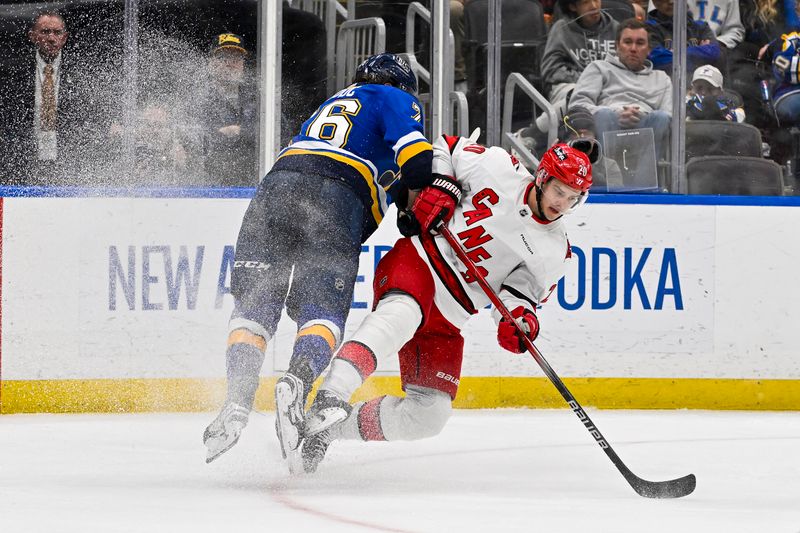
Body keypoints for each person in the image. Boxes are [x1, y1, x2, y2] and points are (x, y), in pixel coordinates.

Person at [294, 137, 593, 474]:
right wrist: (443, 185)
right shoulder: (497, 167)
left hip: (451, 315)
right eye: (559, 191)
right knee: (401, 316)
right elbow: (447, 147)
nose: (562, 203)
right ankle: (331, 395)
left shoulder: (554, 250)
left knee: (428, 416)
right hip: (420, 261)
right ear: (541, 177)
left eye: (573, 197)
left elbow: (519, 296)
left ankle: (327, 429)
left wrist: (519, 321)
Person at [202, 53, 433, 468]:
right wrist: (429, 196)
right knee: (321, 311)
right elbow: (416, 163)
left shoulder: (333, 104)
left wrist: (402, 204)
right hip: (335, 197)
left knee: (253, 309)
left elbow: (384, 174)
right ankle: (298, 381)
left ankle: (236, 403)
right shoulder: (394, 98)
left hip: (276, 187)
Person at [0, 10, 93, 185]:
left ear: (64, 38)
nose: (51, 38)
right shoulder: (12, 71)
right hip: (21, 157)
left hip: (67, 159)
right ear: (32, 36)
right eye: (45, 32)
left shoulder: (81, 72)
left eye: (57, 33)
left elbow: (87, 119)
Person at [569, 18, 673, 160]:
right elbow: (577, 105)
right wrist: (616, 113)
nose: (633, 49)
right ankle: (608, 176)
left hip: (647, 128)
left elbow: (669, 115)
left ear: (649, 50)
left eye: (640, 43)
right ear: (617, 46)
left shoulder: (662, 78)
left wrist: (640, 116)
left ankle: (644, 181)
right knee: (604, 114)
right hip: (607, 124)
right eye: (628, 42)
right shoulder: (599, 67)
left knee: (661, 118)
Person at [199, 33, 258, 186]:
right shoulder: (198, 97)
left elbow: (279, 132)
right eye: (223, 58)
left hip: (252, 183)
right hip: (209, 184)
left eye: (236, 59)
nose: (230, 64)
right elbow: (188, 135)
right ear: (211, 63)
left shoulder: (258, 97)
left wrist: (242, 131)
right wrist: (219, 134)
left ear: (243, 65)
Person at [646, 0, 721, 74]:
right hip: (664, 83)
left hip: (699, 83)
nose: (671, 2)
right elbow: (657, 59)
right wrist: (698, 57)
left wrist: (673, 54)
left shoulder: (701, 27)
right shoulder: (648, 28)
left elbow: (714, 53)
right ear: (654, 2)